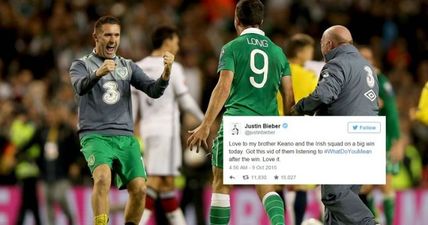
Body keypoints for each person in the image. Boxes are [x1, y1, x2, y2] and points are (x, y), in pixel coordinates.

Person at [187, 1, 293, 225]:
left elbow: (223, 87)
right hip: (268, 127)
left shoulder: (232, 48)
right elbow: (289, 98)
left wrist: (206, 124)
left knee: (222, 183)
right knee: (265, 184)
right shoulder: (279, 53)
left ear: (236, 19)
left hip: (238, 124)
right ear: (262, 21)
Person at [69, 16, 174, 225]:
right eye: (107, 34)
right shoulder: (81, 64)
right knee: (102, 178)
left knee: (140, 188)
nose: (112, 39)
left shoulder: (128, 65)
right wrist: (99, 73)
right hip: (95, 135)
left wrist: (166, 73)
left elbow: (153, 91)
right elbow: (79, 87)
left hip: (126, 137)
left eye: (116, 35)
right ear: (96, 37)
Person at [290, 25, 379, 225]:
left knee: (334, 194)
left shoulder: (337, 63)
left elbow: (324, 94)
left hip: (343, 138)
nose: (321, 50)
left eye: (321, 45)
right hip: (367, 138)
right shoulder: (367, 67)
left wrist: (299, 108)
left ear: (329, 44)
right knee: (340, 208)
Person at [133, 26, 204, 225]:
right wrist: (205, 119)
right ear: (166, 43)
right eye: (176, 42)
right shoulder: (174, 67)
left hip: (147, 131)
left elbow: (132, 107)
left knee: (167, 186)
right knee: (155, 182)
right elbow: (186, 101)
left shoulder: (137, 67)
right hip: (167, 132)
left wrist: (130, 129)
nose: (178, 46)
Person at [358, 46, 405, 225]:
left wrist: (396, 140)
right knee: (365, 187)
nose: (366, 61)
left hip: (383, 140)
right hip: (363, 141)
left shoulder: (380, 80)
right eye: (362, 57)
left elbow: (391, 111)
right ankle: (374, 220)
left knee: (384, 184)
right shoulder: (355, 80)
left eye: (369, 58)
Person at [278, 33, 318, 225]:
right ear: (300, 52)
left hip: (274, 130)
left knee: (277, 183)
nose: (311, 54)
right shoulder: (308, 76)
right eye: (309, 50)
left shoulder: (276, 71)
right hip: (299, 131)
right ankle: (298, 222)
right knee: (299, 185)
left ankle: (278, 221)